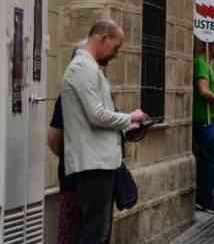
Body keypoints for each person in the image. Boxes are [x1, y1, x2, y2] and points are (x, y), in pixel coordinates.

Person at [61, 20, 149, 244]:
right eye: (116, 47)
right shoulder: (82, 67)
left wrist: (127, 126)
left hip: (100, 162)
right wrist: (130, 117)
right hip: (94, 164)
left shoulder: (89, 67)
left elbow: (99, 116)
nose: (115, 54)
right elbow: (96, 114)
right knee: (94, 232)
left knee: (99, 231)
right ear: (103, 38)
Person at [47, 42, 87, 244]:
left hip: (73, 176)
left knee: (69, 232)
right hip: (94, 181)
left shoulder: (67, 96)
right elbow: (54, 138)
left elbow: (53, 139)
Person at [194, 37, 214, 212]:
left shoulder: (207, 64)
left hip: (210, 119)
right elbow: (203, 90)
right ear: (209, 43)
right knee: (211, 159)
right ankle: (205, 200)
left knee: (211, 159)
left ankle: (206, 198)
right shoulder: (201, 63)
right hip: (205, 120)